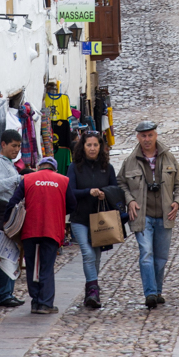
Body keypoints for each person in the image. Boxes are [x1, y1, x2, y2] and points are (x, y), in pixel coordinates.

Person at [119, 121, 179, 309]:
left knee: (161, 257)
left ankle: (157, 291)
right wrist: (129, 199)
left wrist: (178, 202)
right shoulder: (130, 161)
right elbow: (121, 184)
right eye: (143, 136)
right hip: (142, 215)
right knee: (146, 253)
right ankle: (150, 293)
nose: (147, 139)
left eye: (150, 135)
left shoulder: (169, 158)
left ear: (156, 135)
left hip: (165, 215)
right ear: (138, 137)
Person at [5, 156, 77, 314]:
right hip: (51, 229)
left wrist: (6, 223)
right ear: (55, 169)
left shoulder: (28, 179)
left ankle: (36, 302)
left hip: (30, 229)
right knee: (46, 266)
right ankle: (45, 303)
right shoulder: (63, 180)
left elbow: (13, 203)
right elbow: (72, 205)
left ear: (38, 167)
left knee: (32, 266)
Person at [67, 132, 121, 309]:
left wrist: (105, 192)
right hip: (80, 219)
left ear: (101, 147)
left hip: (100, 220)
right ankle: (93, 290)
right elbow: (70, 191)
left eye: (95, 145)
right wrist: (88, 192)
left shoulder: (107, 167)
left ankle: (91, 289)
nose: (92, 148)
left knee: (96, 257)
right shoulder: (74, 167)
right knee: (88, 254)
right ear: (83, 146)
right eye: (88, 145)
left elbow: (116, 188)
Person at [0, 129, 26, 309]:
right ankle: (2, 295)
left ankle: (7, 293)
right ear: (3, 144)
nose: (16, 150)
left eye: (18, 146)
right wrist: (18, 180)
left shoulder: (7, 163)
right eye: (13, 146)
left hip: (7, 213)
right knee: (3, 254)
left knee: (10, 254)